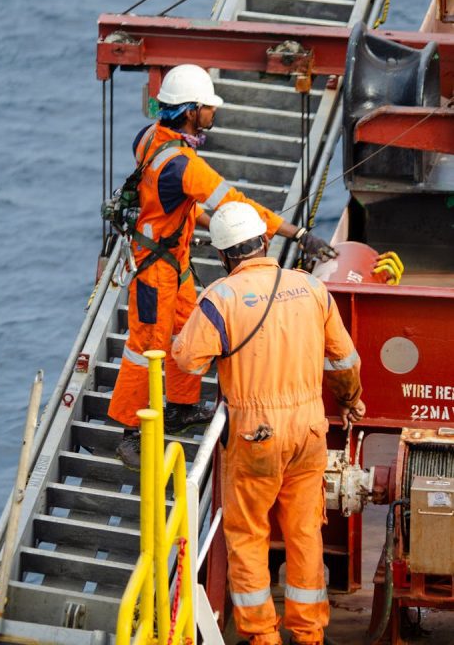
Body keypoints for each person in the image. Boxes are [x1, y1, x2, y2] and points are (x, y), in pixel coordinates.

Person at [105, 64, 337, 470]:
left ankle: (179, 406)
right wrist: (297, 234)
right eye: (209, 107)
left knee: (185, 328)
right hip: (155, 268)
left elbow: (170, 198)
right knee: (145, 348)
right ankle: (129, 433)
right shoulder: (185, 166)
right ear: (192, 111)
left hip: (169, 258)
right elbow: (236, 205)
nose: (214, 113)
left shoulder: (150, 138)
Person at [172, 202, 365, 645]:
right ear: (264, 242)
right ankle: (309, 633)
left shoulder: (220, 298)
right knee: (304, 531)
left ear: (223, 255)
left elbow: (186, 360)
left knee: (247, 534)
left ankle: (261, 636)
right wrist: (351, 401)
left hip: (254, 432)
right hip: (309, 429)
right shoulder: (311, 288)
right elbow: (343, 359)